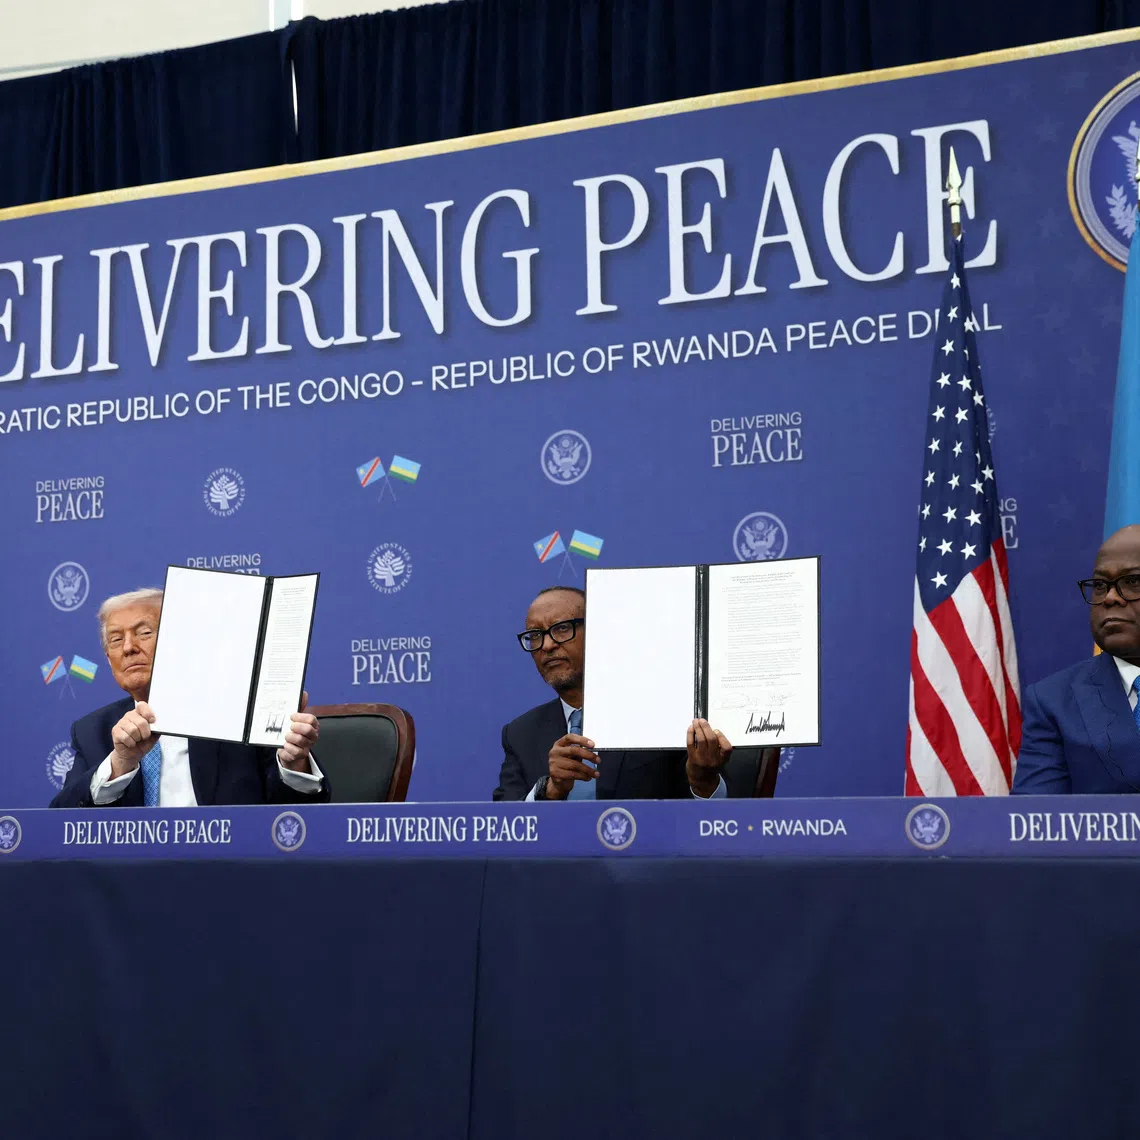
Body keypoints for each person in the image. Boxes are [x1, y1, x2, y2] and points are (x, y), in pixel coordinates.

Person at [50, 587, 329, 808]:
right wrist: (119, 763)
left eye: (144, 633)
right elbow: (60, 824)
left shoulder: (241, 713)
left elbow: (297, 817)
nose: (129, 648)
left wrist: (294, 766)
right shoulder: (93, 730)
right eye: (115, 640)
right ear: (109, 661)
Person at [494, 585, 738, 800]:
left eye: (561, 629)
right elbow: (502, 829)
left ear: (599, 633)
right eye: (535, 636)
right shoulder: (520, 733)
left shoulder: (664, 713)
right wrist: (550, 790)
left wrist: (703, 779)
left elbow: (709, 823)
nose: (547, 645)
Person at [1014, 524, 1140, 794]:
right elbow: (1036, 822)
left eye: (1133, 582)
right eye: (1099, 585)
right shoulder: (1053, 700)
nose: (1110, 597)